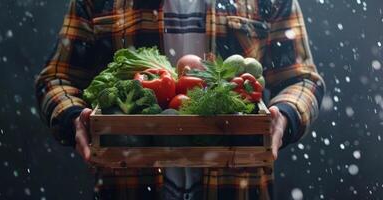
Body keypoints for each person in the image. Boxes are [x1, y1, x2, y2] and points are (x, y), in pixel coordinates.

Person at [35, 0, 325, 199]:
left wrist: (285, 114)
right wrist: (73, 117)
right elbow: (56, 78)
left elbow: (303, 79)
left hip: (237, 189)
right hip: (129, 188)